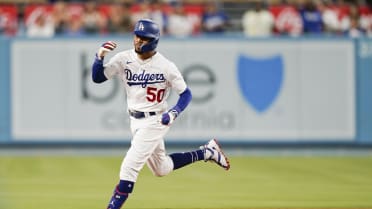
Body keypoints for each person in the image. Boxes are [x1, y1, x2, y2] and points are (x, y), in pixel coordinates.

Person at [91, 19, 230, 209]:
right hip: (135, 120)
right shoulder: (124, 58)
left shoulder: (165, 65)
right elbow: (97, 78)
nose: (138, 41)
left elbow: (186, 94)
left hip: (156, 120)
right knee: (161, 169)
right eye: (137, 36)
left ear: (153, 40)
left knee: (129, 167)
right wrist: (99, 56)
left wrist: (173, 113)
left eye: (143, 38)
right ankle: (207, 152)